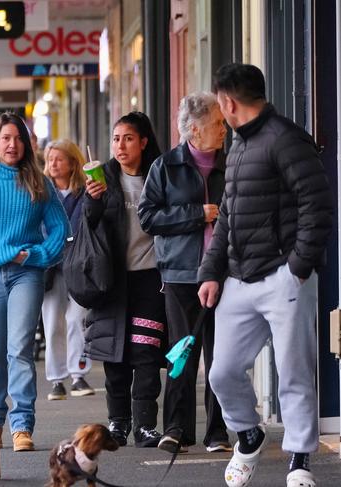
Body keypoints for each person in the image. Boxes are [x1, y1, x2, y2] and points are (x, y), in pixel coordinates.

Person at [197, 64, 333, 487]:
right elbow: (228, 218)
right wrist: (211, 272)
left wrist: (297, 269)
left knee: (293, 372)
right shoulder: (236, 145)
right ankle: (249, 433)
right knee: (222, 371)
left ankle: (299, 462)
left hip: (283, 277)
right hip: (238, 278)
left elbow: (318, 206)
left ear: (227, 101)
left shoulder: (287, 139)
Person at [0, 113, 69, 452]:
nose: (12, 144)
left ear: (26, 143)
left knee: (19, 350)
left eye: (18, 138)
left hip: (25, 276)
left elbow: (61, 230)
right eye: (5, 138)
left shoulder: (38, 182)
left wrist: (35, 256)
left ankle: (21, 425)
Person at [138, 92, 230, 454]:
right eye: (217, 123)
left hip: (224, 273)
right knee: (182, 353)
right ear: (195, 129)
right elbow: (148, 217)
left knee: (222, 356)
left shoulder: (232, 162)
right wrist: (197, 214)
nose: (223, 130)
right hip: (180, 273)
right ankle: (176, 429)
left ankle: (218, 432)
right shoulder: (165, 166)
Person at [83, 112, 166, 448]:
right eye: (116, 138)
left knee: (146, 354)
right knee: (114, 356)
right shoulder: (102, 178)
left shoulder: (158, 177)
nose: (120, 145)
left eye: (128, 138)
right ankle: (117, 424)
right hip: (112, 281)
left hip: (150, 279)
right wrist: (93, 199)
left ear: (143, 142)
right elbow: (89, 225)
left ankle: (145, 425)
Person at [41, 139, 94, 401]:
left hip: (80, 266)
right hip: (51, 267)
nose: (53, 164)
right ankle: (56, 379)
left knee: (77, 320)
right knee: (52, 324)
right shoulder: (40, 191)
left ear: (73, 162)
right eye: (50, 159)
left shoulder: (85, 191)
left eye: (59, 159)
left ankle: (78, 374)